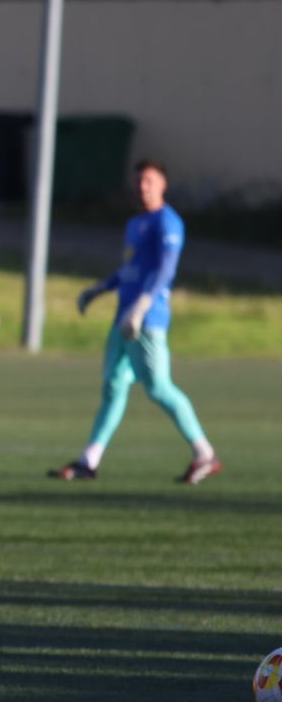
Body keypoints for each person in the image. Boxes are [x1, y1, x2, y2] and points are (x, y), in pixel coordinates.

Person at [47, 159, 221, 484]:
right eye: (140, 181)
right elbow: (130, 268)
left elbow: (166, 269)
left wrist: (142, 305)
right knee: (113, 386)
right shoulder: (135, 223)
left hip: (147, 319)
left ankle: (205, 454)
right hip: (122, 317)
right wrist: (99, 289)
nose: (143, 187)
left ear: (162, 185)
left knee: (158, 387)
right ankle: (89, 460)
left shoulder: (168, 221)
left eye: (150, 181)